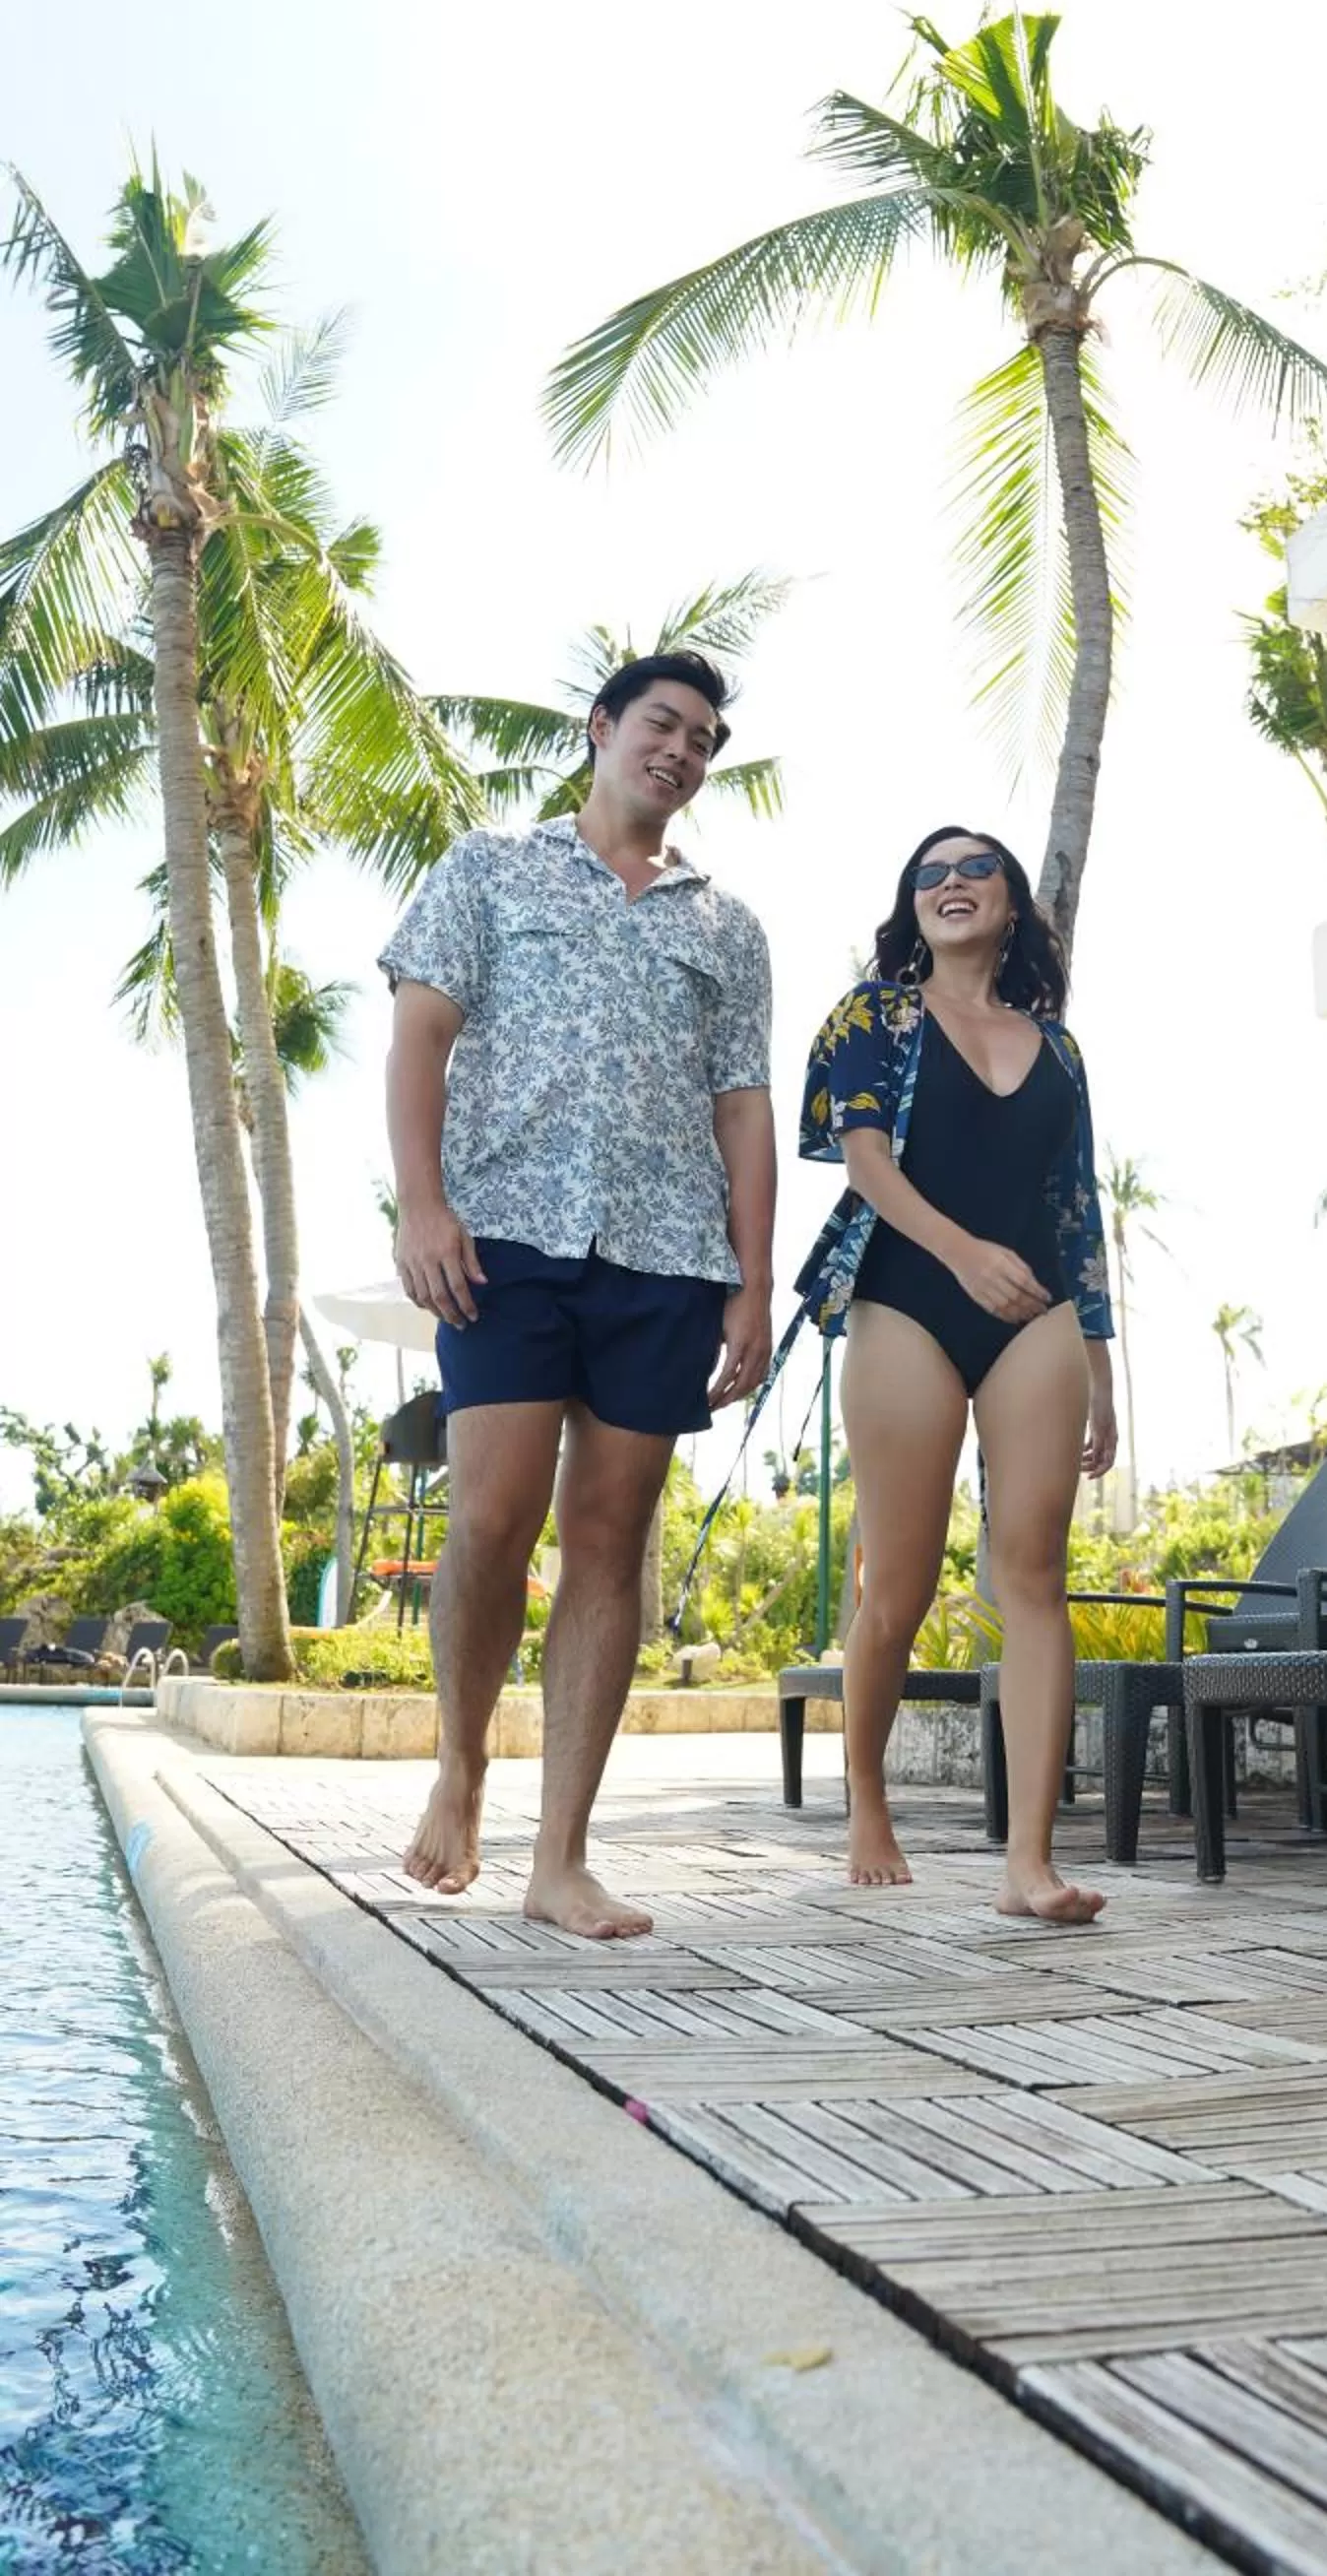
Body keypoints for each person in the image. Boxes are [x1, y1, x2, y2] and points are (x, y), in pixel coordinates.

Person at [380, 649, 775, 1939]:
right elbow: (420, 1039)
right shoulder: (487, 870)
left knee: (610, 1540)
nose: (682, 750)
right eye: (663, 723)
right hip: (505, 1235)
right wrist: (422, 1203)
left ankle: (562, 1858)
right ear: (603, 729)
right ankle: (462, 1764)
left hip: (667, 1257)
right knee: (490, 1517)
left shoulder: (727, 926)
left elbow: (743, 1111)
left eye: (704, 739)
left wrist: (752, 1283)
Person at [798, 826, 1117, 1925]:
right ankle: (867, 1797)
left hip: (1035, 1313)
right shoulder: (874, 1015)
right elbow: (866, 1164)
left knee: (1030, 1572)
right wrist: (963, 1255)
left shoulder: (1059, 1049)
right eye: (927, 874)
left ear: (1012, 902)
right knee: (900, 1584)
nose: (949, 885)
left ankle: (1028, 1861)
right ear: (909, 906)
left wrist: (1099, 1365)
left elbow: (1076, 1213)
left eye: (973, 868)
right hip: (908, 1299)